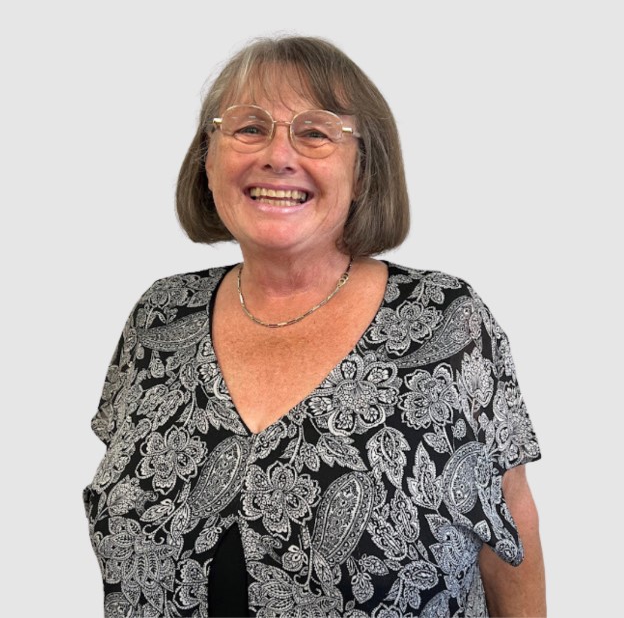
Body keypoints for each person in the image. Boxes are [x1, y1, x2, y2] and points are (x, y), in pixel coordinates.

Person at [84, 35, 546, 617]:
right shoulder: (159, 319)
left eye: (315, 133)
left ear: (364, 168)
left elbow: (508, 529)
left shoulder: (446, 323)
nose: (278, 155)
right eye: (249, 128)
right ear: (208, 160)